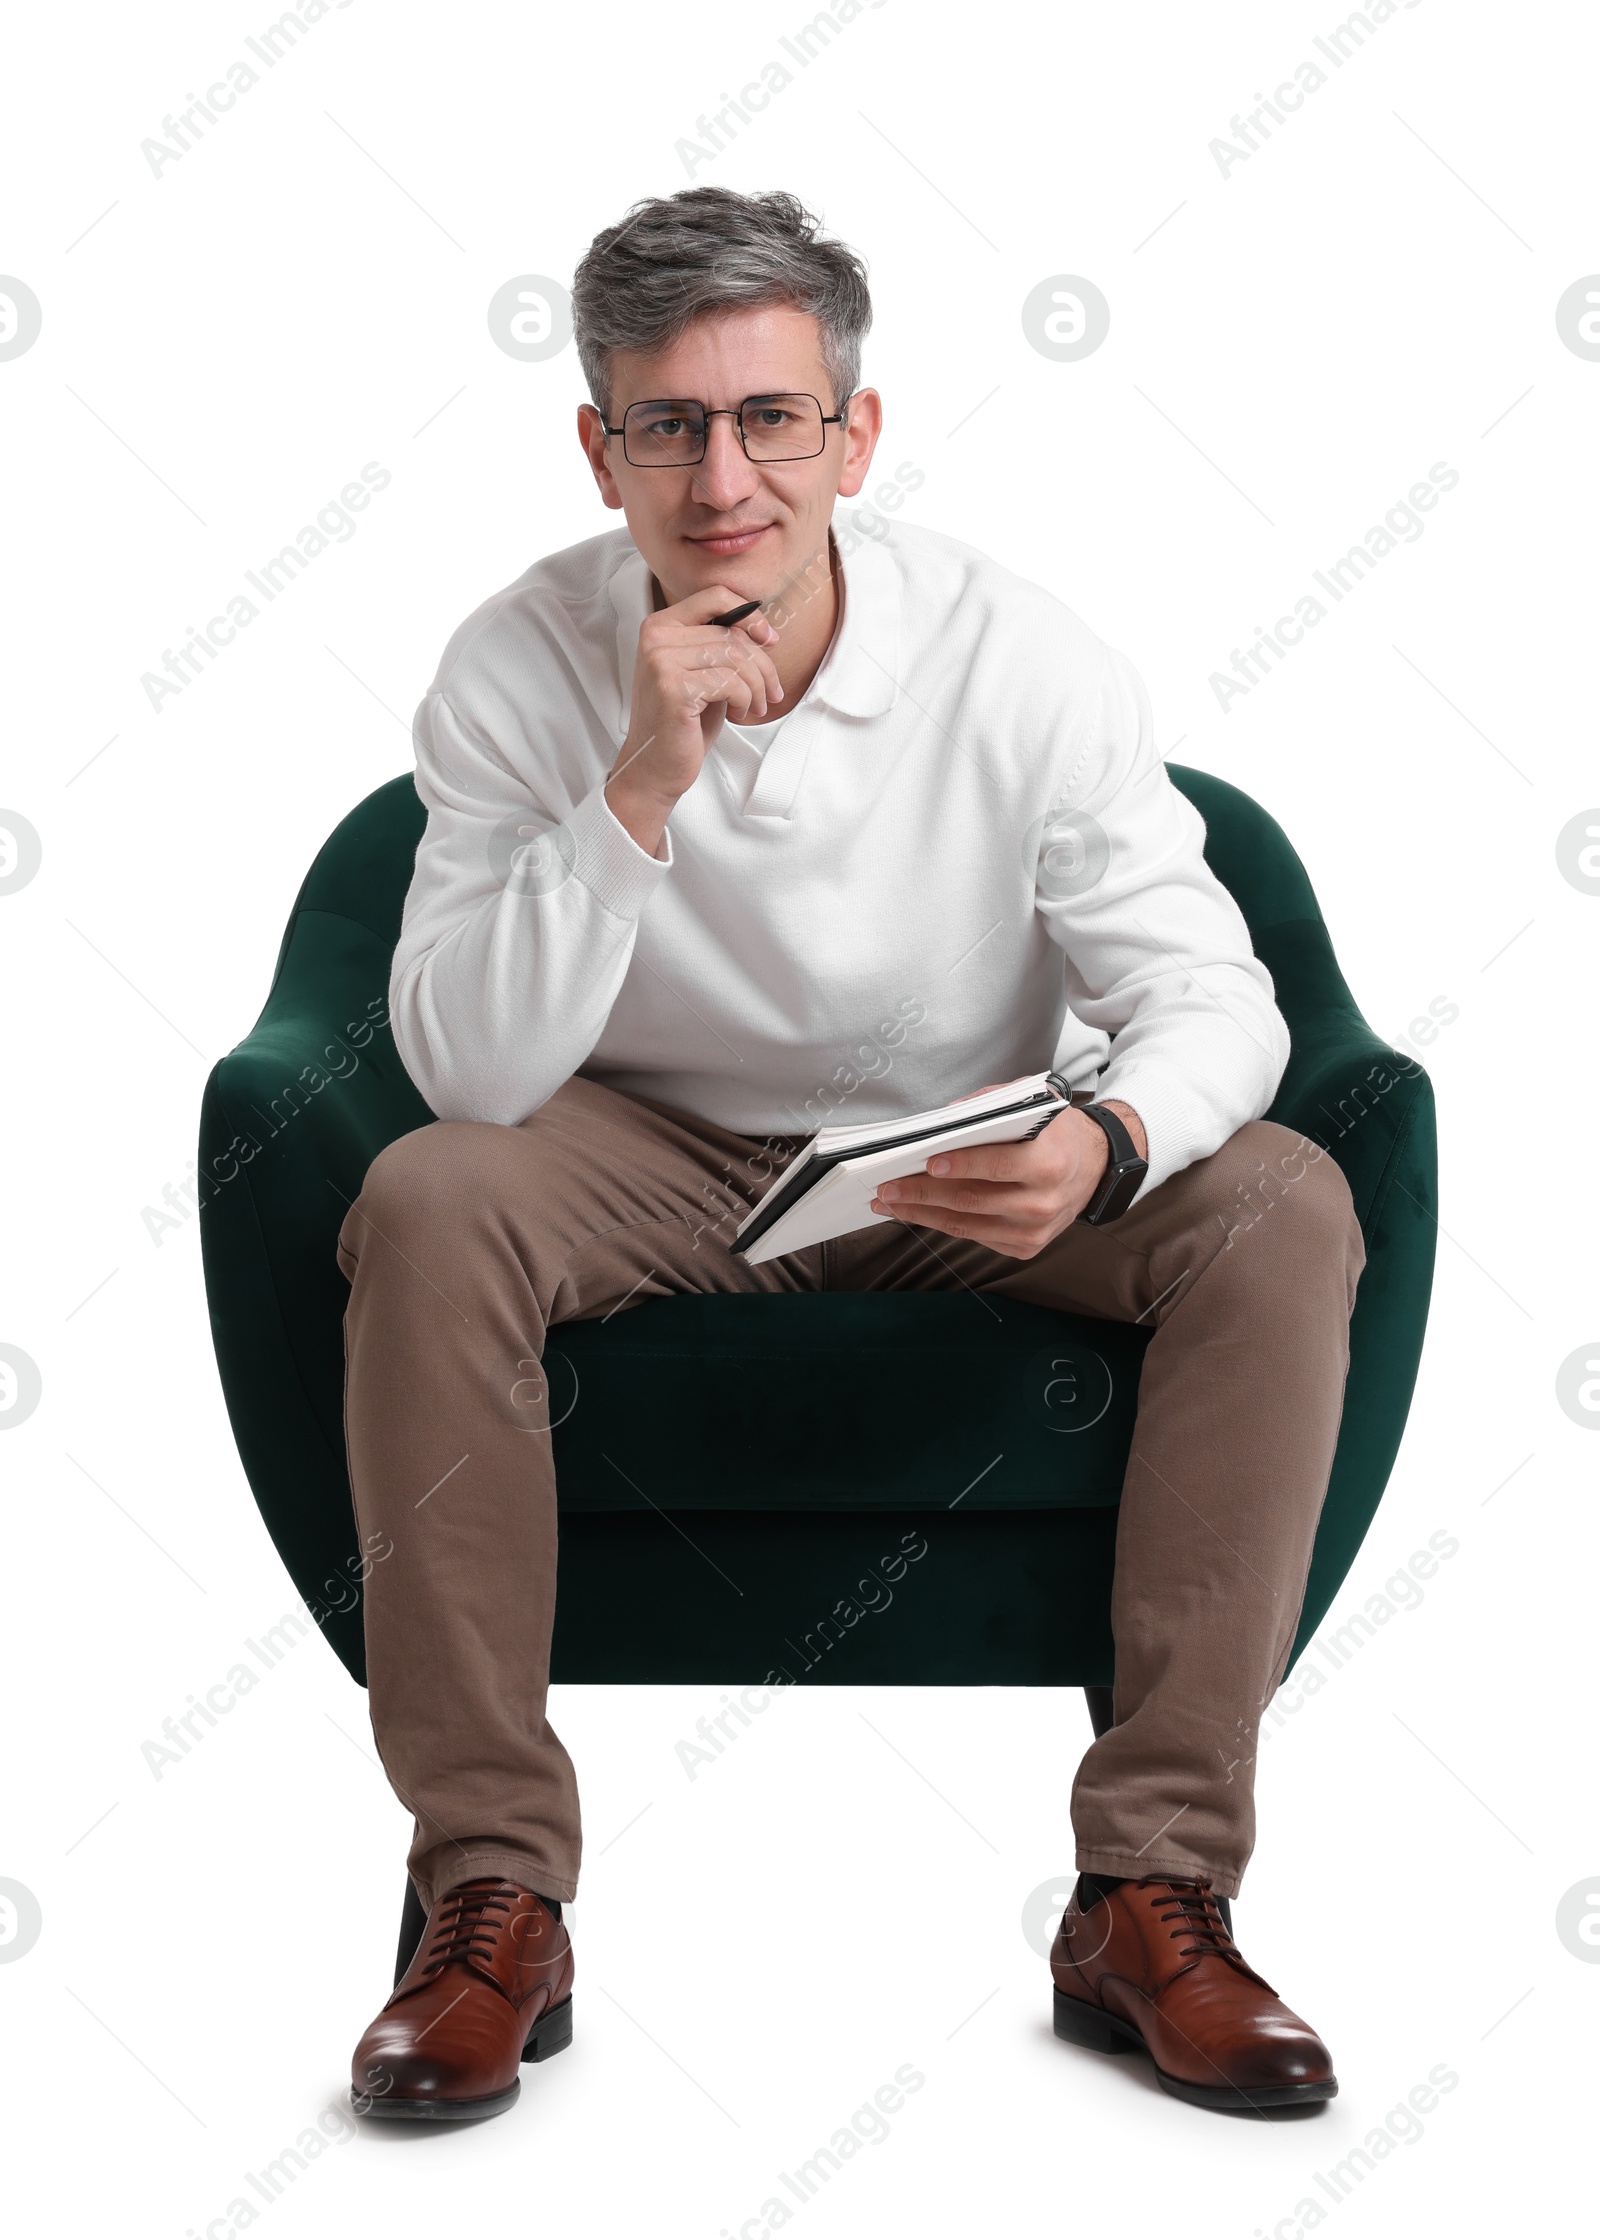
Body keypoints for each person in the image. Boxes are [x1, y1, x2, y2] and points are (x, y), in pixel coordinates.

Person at [340, 184, 1364, 2121]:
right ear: (598, 445)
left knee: (1279, 1207)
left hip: (950, 1156)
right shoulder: (513, 666)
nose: (723, 477)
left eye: (772, 418)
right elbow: (465, 1074)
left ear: (855, 433)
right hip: (631, 1144)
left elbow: (1215, 997)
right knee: (423, 1197)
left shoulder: (1017, 656)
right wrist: (636, 786)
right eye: (667, 423)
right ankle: (488, 1891)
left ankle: (1149, 1888)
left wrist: (1111, 1137)